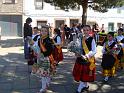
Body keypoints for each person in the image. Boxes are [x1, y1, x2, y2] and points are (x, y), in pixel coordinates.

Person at [73, 25, 96, 93]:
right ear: (82, 31)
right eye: (84, 30)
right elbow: (78, 48)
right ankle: (85, 86)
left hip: (88, 59)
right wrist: (76, 52)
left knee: (85, 74)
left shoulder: (92, 39)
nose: (86, 31)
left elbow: (94, 50)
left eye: (87, 30)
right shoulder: (81, 38)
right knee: (82, 74)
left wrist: (87, 55)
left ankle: (79, 89)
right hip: (80, 59)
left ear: (90, 31)